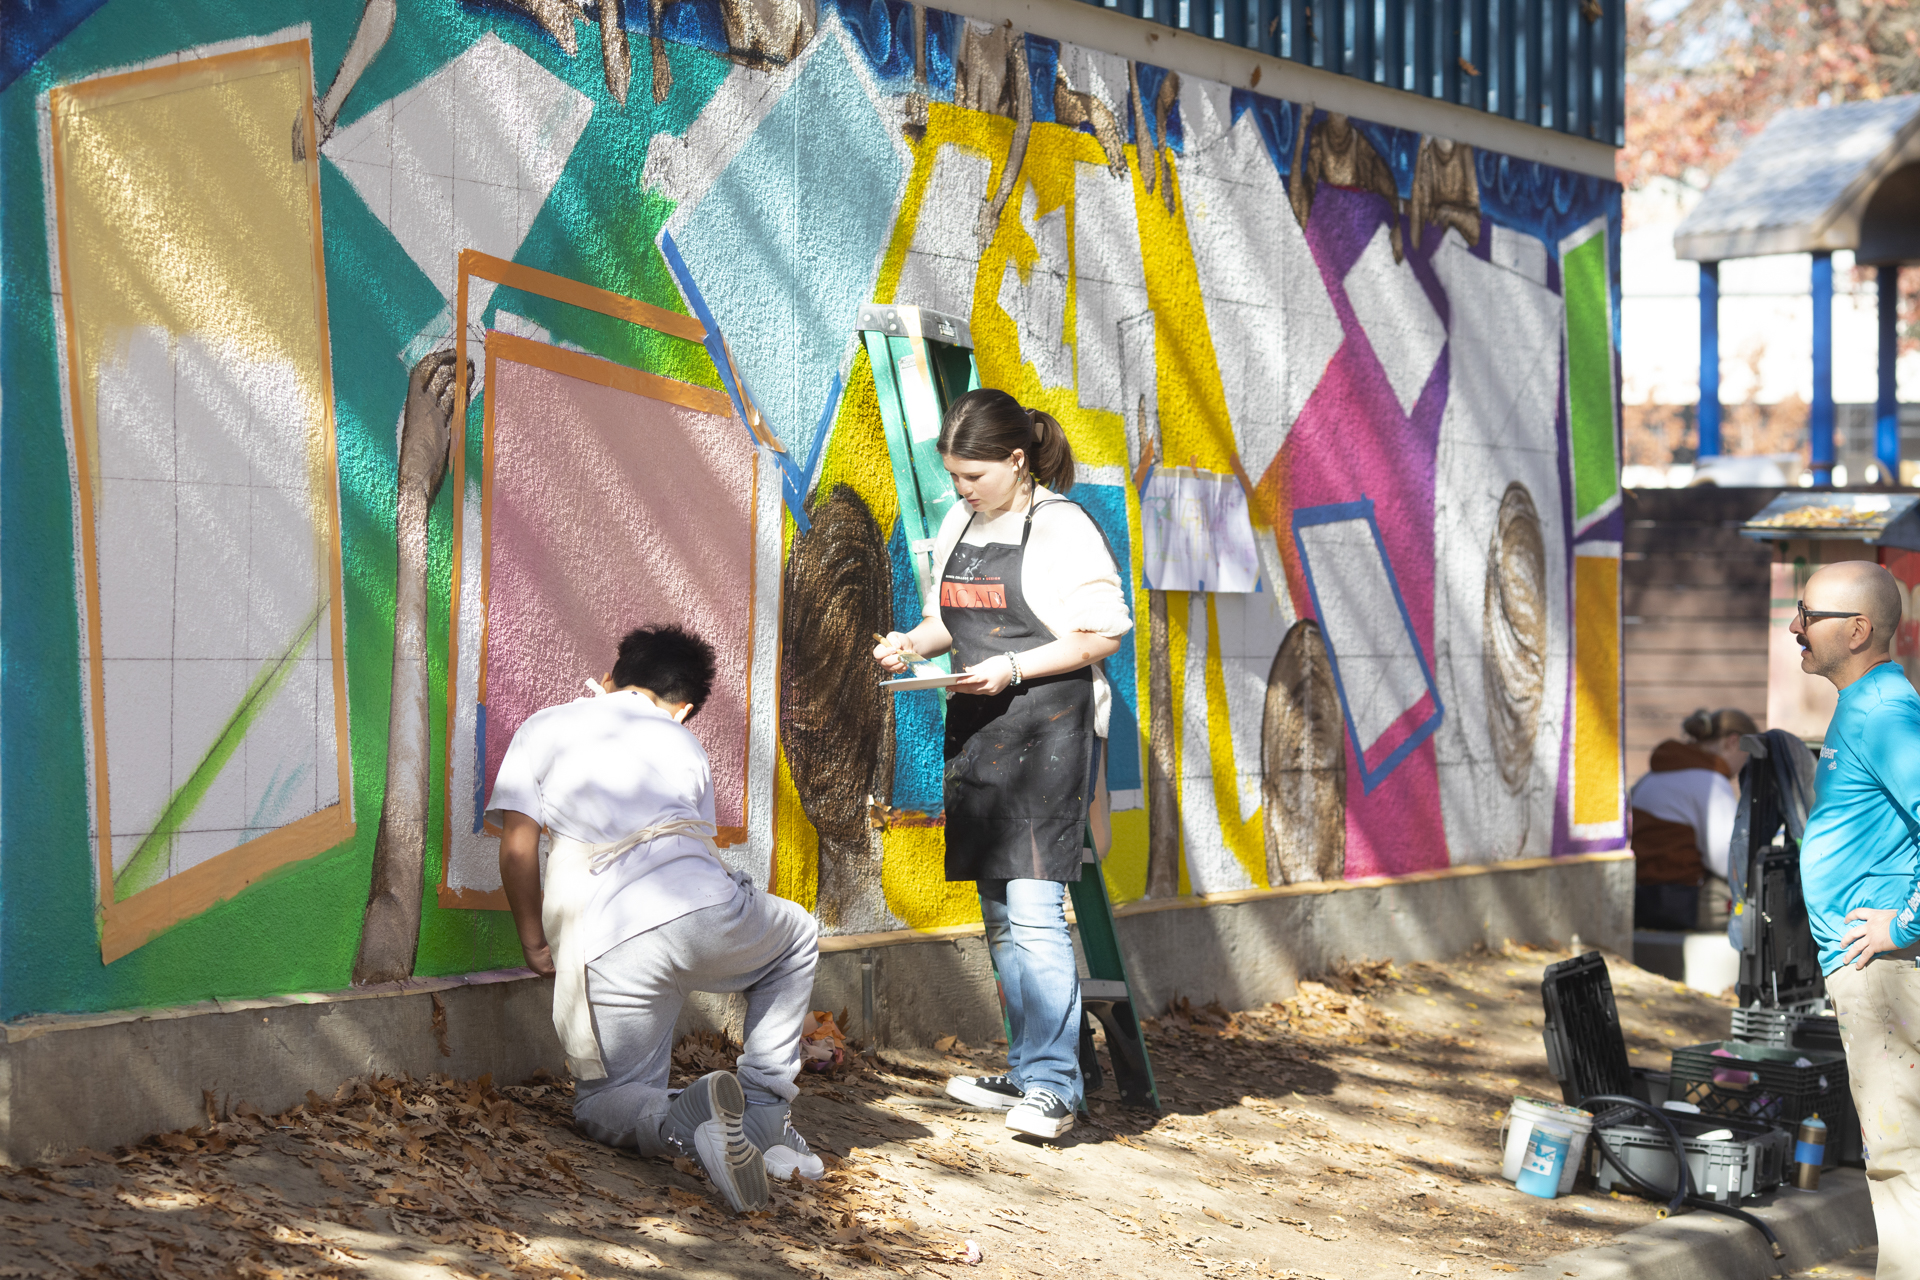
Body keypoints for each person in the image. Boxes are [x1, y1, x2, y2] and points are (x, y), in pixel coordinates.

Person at [871, 388, 1132, 1142]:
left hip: (1050, 727)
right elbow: (945, 622)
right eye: (954, 477)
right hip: (981, 728)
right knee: (999, 916)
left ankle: (1056, 1085)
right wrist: (908, 646)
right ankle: (1027, 1069)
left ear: (1017, 462)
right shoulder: (964, 521)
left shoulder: (1062, 527)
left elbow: (1097, 636)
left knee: (1035, 909)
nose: (961, 492)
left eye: (973, 477)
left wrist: (1013, 669)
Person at [489, 624, 822, 1213]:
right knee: (795, 934)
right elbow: (697, 846)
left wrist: (534, 940)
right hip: (708, 914)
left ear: (612, 678)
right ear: (685, 708)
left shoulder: (545, 725)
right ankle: (766, 1110)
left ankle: (682, 1113)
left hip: (612, 938)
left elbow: (517, 847)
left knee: (607, 1099)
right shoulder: (685, 743)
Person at [1789, 559, 1920, 1272]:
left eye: (1808, 614)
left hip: (1889, 972)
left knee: (1901, 1166)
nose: (1794, 626)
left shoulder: (1882, 711)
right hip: (1880, 971)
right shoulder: (1867, 704)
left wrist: (1902, 927)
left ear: (1860, 629)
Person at [1628, 707, 1758, 931]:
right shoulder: (1710, 783)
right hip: (1678, 902)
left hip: (1639, 897)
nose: (1744, 768)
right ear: (1733, 742)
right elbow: (1728, 862)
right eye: (1747, 757)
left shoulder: (1651, 776)